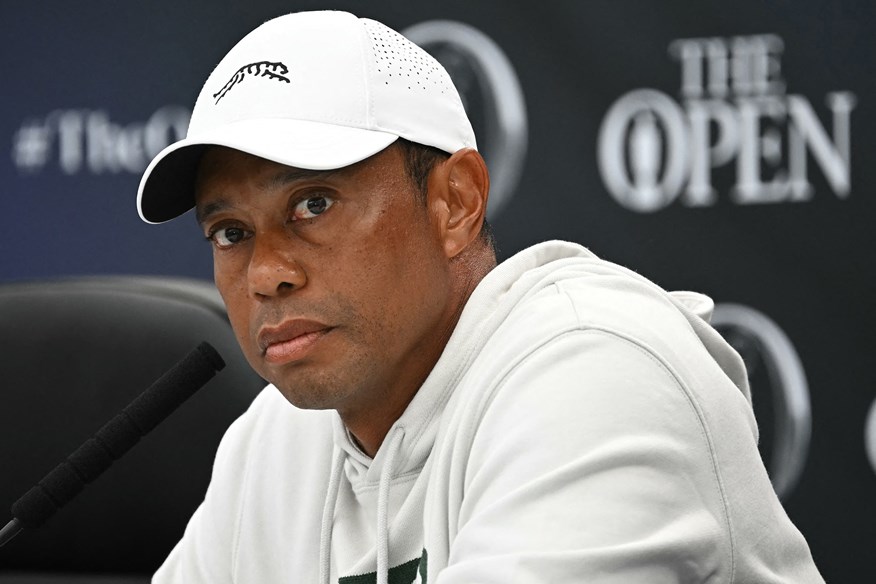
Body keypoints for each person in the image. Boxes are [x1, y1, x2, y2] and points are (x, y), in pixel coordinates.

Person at [137, 10, 825, 584]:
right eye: (230, 233)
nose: (266, 275)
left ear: (454, 202)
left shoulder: (598, 372)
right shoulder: (273, 442)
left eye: (313, 203)